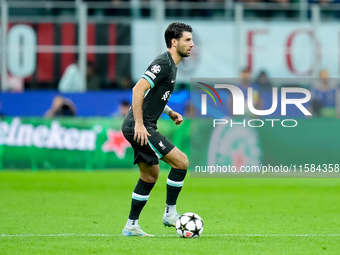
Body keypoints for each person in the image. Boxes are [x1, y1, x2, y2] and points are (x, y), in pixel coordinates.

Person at [121, 22, 194, 237]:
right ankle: (170, 214)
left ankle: (131, 226)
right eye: (187, 40)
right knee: (181, 162)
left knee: (150, 175)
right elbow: (138, 90)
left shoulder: (171, 65)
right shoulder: (163, 63)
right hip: (139, 126)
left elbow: (153, 95)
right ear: (174, 42)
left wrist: (169, 111)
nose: (192, 44)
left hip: (138, 125)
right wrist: (141, 125)